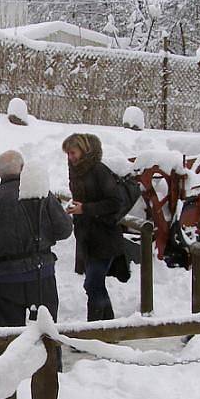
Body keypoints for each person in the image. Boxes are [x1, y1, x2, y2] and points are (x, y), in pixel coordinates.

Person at [0, 150, 72, 327]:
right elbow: (64, 229)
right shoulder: (41, 194)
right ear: (23, 169)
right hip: (41, 273)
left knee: (9, 334)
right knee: (46, 331)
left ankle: (11, 354)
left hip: (5, 276)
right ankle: (49, 355)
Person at [62, 133, 135, 322]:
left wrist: (85, 208)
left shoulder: (98, 170)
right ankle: (107, 327)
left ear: (83, 150)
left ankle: (95, 329)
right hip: (87, 236)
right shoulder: (77, 171)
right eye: (68, 154)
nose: (70, 157)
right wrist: (77, 207)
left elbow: (115, 202)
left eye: (73, 153)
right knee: (95, 284)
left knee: (92, 284)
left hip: (104, 236)